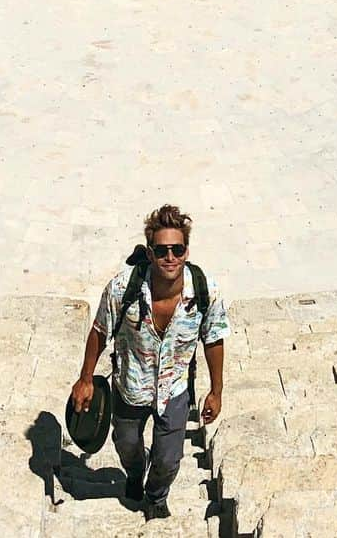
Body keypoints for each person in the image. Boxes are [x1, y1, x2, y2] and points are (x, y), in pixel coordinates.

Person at [70, 204, 228, 522]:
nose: (170, 257)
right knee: (125, 444)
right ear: (150, 252)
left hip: (175, 390)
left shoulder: (204, 290)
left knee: (169, 459)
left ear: (186, 251)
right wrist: (85, 378)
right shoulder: (122, 288)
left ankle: (156, 496)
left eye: (177, 249)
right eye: (161, 250)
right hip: (130, 386)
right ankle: (134, 472)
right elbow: (100, 331)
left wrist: (216, 390)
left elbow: (213, 339)